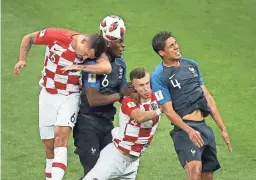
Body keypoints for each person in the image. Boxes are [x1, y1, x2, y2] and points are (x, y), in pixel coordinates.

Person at [13, 28, 110, 180]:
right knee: (49, 147)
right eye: (85, 53)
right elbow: (28, 38)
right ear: (83, 40)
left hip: (70, 96)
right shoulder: (56, 36)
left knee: (61, 138)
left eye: (87, 57)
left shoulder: (94, 49)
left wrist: (79, 66)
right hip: (47, 94)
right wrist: (22, 59)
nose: (84, 57)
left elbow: (106, 67)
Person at [150, 31, 232, 180]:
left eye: (176, 43)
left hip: (204, 128)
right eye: (171, 46)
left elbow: (208, 98)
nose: (176, 47)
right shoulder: (158, 76)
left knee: (207, 174)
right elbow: (168, 110)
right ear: (162, 52)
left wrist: (223, 129)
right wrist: (189, 130)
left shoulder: (191, 65)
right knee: (194, 171)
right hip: (184, 130)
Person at [82, 67, 162, 180]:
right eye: (141, 85)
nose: (146, 88)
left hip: (133, 162)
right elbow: (140, 117)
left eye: (147, 83)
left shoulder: (156, 96)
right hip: (116, 158)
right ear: (132, 86)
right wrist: (161, 110)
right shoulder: (128, 100)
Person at [69, 36, 130, 178]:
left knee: (107, 172)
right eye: (119, 42)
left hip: (107, 124)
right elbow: (93, 100)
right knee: (92, 171)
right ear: (108, 44)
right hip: (87, 125)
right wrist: (120, 96)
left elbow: (125, 91)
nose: (123, 46)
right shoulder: (93, 66)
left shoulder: (120, 64)